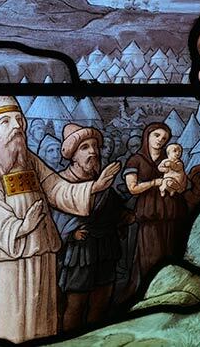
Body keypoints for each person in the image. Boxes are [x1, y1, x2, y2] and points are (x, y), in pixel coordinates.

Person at [0, 96, 121, 343]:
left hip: (41, 251)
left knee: (41, 320)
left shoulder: (27, 158)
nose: (16, 126)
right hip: (8, 257)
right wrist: (21, 227)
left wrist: (93, 187)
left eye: (19, 120)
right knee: (11, 322)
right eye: (5, 121)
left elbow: (57, 188)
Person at [54, 124, 124, 332]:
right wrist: (69, 233)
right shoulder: (61, 183)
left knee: (101, 303)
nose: (93, 151)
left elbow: (113, 211)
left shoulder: (102, 182)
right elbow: (53, 219)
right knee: (76, 304)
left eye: (94, 146)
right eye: (85, 147)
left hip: (104, 248)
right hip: (78, 253)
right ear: (72, 155)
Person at [123, 123, 188, 294]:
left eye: (164, 138)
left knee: (171, 255)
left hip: (172, 214)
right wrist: (155, 183)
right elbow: (133, 188)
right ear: (147, 136)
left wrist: (179, 182)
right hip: (149, 215)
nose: (160, 140)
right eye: (157, 135)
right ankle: (146, 293)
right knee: (150, 258)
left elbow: (181, 185)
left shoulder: (170, 161)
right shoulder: (136, 160)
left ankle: (168, 292)